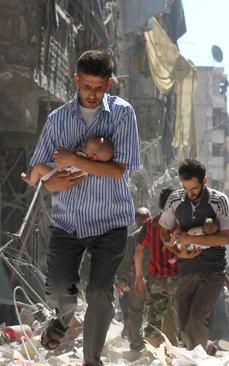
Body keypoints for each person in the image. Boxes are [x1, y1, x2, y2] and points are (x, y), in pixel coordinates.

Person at [28, 50, 140, 366]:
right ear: (77, 80)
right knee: (60, 287)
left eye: (99, 87)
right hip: (68, 221)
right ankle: (62, 319)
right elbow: (42, 174)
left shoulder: (123, 114)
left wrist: (76, 161)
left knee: (101, 293)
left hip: (111, 221)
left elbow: (119, 170)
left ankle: (91, 360)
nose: (92, 94)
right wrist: (53, 182)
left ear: (108, 84)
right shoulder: (57, 119)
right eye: (86, 86)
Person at [159, 159, 229, 356]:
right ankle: (205, 349)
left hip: (213, 270)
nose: (190, 194)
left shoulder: (219, 201)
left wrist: (189, 237)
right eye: (185, 188)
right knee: (183, 321)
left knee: (196, 318)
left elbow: (225, 238)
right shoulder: (175, 200)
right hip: (187, 269)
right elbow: (164, 232)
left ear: (204, 181)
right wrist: (177, 251)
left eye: (194, 189)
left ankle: (198, 359)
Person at [133, 188, 180, 347]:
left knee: (155, 317)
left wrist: (139, 277)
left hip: (156, 279)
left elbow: (138, 252)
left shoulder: (150, 224)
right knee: (183, 316)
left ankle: (153, 354)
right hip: (177, 278)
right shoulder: (181, 223)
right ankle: (180, 351)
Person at [115, 207, 151, 351]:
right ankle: (153, 342)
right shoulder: (157, 233)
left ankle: (136, 343)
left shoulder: (133, 237)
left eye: (143, 217)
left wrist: (120, 279)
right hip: (154, 279)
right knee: (156, 311)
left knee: (135, 311)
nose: (141, 220)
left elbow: (126, 260)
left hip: (137, 279)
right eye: (140, 217)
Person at [21, 136, 115, 187]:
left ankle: (32, 181)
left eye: (85, 146)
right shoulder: (90, 168)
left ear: (93, 157)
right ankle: (35, 178)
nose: (83, 145)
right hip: (58, 176)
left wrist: (63, 153)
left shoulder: (81, 158)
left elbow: (66, 162)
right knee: (40, 171)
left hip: (57, 174)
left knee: (39, 167)